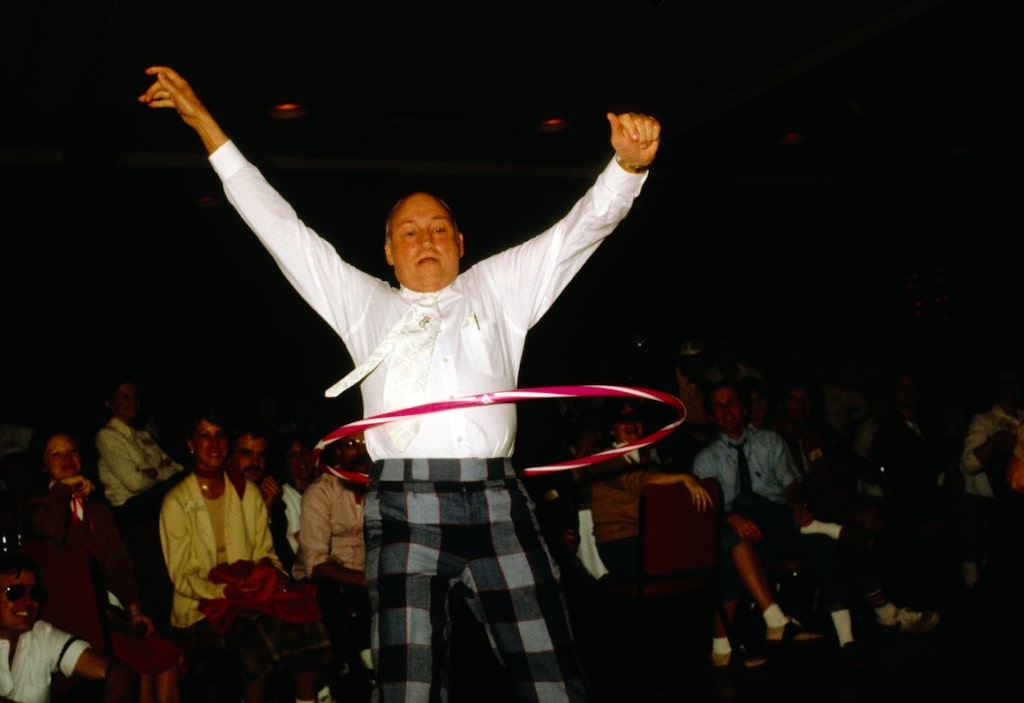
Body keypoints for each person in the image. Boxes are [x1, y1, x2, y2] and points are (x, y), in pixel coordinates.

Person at [140, 65, 660, 703]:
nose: (426, 239)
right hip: (403, 507)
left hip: (500, 499)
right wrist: (202, 120)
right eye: (409, 232)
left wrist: (627, 169)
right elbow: (279, 228)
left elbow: (579, 231)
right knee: (407, 687)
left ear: (462, 242)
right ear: (387, 251)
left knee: (552, 674)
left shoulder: (500, 287)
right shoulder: (365, 304)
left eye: (439, 227)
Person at [158, 402, 335, 703]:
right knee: (257, 630)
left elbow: (266, 551)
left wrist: (273, 575)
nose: (213, 445)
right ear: (191, 444)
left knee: (306, 611)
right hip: (200, 606)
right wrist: (229, 590)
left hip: (248, 594)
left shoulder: (247, 494)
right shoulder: (175, 502)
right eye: (204, 436)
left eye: (220, 436)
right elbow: (182, 578)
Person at [692, 380, 862, 662]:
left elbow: (791, 484)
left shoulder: (769, 441)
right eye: (718, 406)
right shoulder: (705, 460)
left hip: (780, 525)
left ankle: (847, 639)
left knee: (822, 546)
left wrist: (797, 503)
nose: (726, 411)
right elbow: (705, 513)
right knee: (744, 502)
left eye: (731, 403)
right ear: (710, 415)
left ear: (745, 408)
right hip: (743, 543)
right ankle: (823, 528)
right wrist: (730, 515)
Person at [23, 429, 183, 703]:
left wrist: (135, 609)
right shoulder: (37, 508)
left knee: (167, 658)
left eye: (72, 451)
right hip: (72, 617)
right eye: (56, 454)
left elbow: (119, 566)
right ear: (43, 464)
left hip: (110, 614)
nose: (66, 459)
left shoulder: (98, 509)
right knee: (138, 667)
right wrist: (65, 489)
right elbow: (55, 529)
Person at [0, 551, 140, 703]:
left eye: (35, 593)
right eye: (14, 592)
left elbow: (122, 674)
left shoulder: (41, 635)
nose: (28, 602)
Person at [293, 431, 373, 689]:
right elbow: (315, 564)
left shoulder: (380, 489)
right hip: (325, 579)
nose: (360, 451)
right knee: (334, 598)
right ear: (338, 451)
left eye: (365, 444)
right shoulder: (321, 492)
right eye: (351, 444)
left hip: (365, 575)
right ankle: (345, 678)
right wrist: (361, 579)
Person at [95, 377, 185, 528]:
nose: (133, 401)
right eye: (125, 397)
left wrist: (152, 472)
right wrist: (160, 470)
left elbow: (176, 468)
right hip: (130, 509)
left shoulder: (142, 434)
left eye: (135, 395)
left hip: (154, 498)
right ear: (109, 404)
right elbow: (135, 484)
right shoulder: (107, 436)